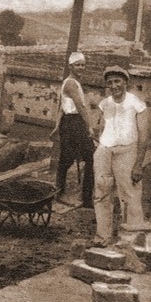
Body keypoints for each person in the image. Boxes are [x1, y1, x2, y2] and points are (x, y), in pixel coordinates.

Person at [92, 65, 148, 247]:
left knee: (129, 195)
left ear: (125, 82)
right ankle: (103, 237)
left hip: (127, 151)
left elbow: (144, 137)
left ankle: (132, 240)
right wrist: (98, 141)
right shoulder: (105, 104)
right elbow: (100, 128)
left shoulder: (135, 103)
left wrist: (138, 164)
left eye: (117, 81)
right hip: (105, 151)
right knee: (101, 193)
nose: (114, 85)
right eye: (110, 83)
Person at [52, 52, 95, 209]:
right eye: (77, 65)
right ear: (70, 66)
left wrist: (57, 126)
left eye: (83, 65)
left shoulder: (75, 82)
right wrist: (89, 126)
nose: (81, 68)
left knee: (86, 158)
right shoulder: (70, 84)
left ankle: (82, 196)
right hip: (72, 124)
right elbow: (80, 107)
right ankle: (62, 193)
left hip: (72, 123)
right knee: (70, 159)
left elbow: (61, 108)